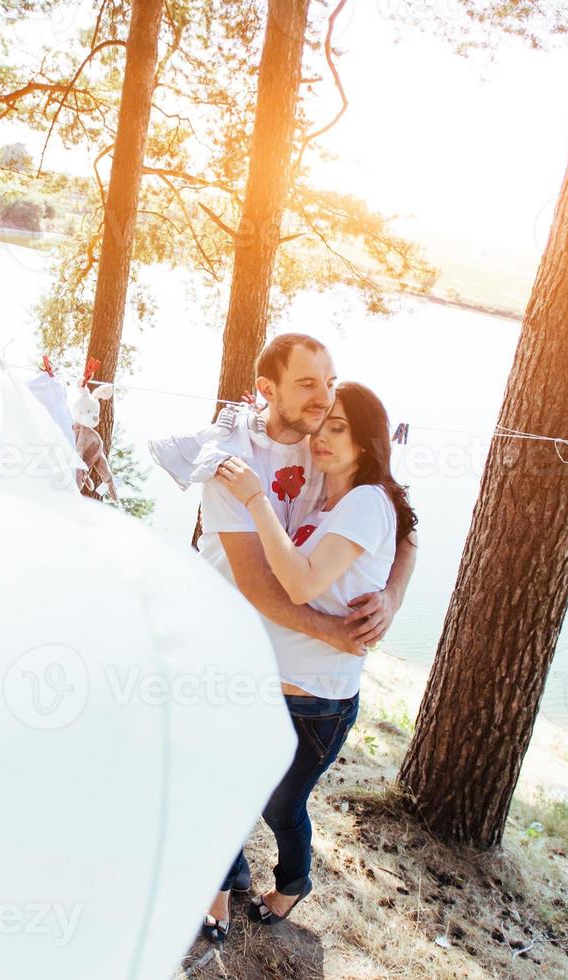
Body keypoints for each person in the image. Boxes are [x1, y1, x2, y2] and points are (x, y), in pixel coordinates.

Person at [186, 334, 418, 942]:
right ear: (268, 389)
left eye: (330, 385)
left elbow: (397, 524)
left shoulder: (348, 477)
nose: (322, 408)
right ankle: (221, 891)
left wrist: (390, 597)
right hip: (240, 659)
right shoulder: (237, 458)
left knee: (270, 802)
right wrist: (344, 626)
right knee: (227, 786)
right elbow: (270, 587)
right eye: (309, 385)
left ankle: (273, 883)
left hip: (308, 691)